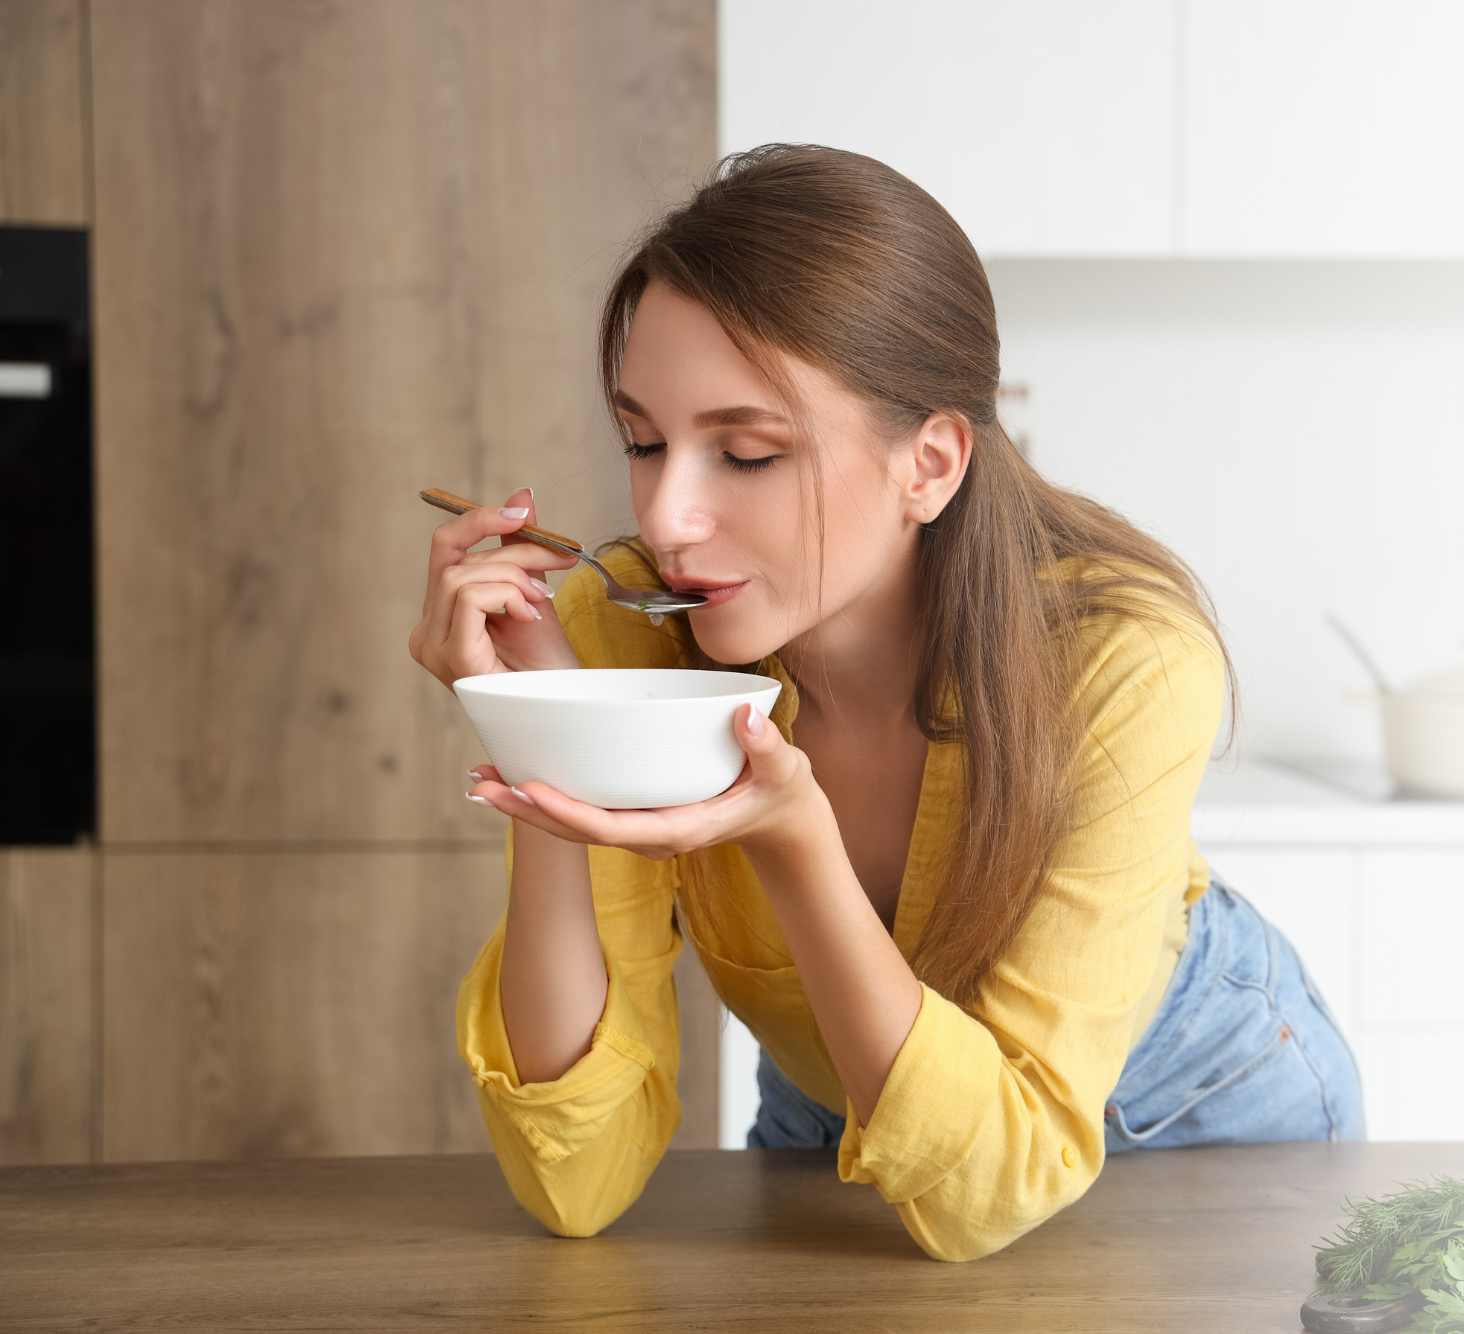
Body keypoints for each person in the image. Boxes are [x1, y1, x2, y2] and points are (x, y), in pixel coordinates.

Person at [408, 145, 1363, 1262]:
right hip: (852, 1113)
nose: (667, 519)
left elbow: (997, 1185)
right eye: (644, 441)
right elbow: (576, 1176)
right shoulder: (624, 639)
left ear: (931, 463)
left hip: (1194, 1109)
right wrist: (545, 725)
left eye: (748, 452)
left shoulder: (1122, 660)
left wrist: (792, 835)